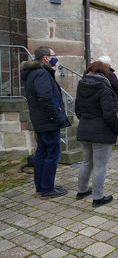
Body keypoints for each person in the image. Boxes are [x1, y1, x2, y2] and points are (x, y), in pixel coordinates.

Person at [21, 46, 70, 198]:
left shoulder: (35, 73)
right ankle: (47, 188)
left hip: (41, 120)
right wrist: (55, 117)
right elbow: (46, 98)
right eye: (54, 55)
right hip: (47, 121)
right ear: (45, 58)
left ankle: (41, 186)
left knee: (42, 153)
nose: (56, 58)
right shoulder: (41, 73)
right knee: (52, 153)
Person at [75, 61, 118, 207]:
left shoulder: (81, 85)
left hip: (85, 128)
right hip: (101, 131)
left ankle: (82, 190)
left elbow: (77, 109)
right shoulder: (104, 87)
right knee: (99, 165)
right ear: (104, 72)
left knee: (87, 161)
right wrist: (117, 128)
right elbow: (109, 113)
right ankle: (98, 197)